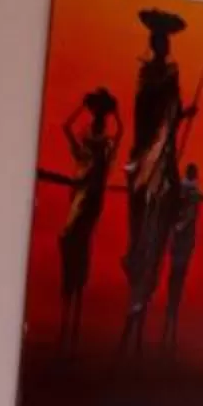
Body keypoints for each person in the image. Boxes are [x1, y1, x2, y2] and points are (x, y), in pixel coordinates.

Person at [119, 8, 197, 355]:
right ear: (154, 43)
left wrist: (183, 115)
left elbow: (172, 112)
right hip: (149, 149)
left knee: (175, 194)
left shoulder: (171, 73)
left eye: (165, 41)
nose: (162, 46)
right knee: (140, 197)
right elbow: (144, 111)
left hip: (164, 152)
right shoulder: (148, 73)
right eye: (159, 40)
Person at [53, 89, 120, 350]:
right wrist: (85, 108)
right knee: (70, 242)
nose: (98, 121)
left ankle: (71, 323)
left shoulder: (101, 148)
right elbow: (67, 128)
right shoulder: (93, 147)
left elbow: (116, 137)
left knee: (72, 241)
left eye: (98, 117)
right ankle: (68, 321)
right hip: (82, 198)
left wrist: (110, 116)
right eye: (98, 117)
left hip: (87, 202)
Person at [160, 163, 203, 353]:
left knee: (177, 274)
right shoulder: (187, 191)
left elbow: (189, 216)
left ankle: (172, 313)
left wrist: (178, 226)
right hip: (180, 238)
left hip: (182, 238)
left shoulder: (191, 192)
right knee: (176, 273)